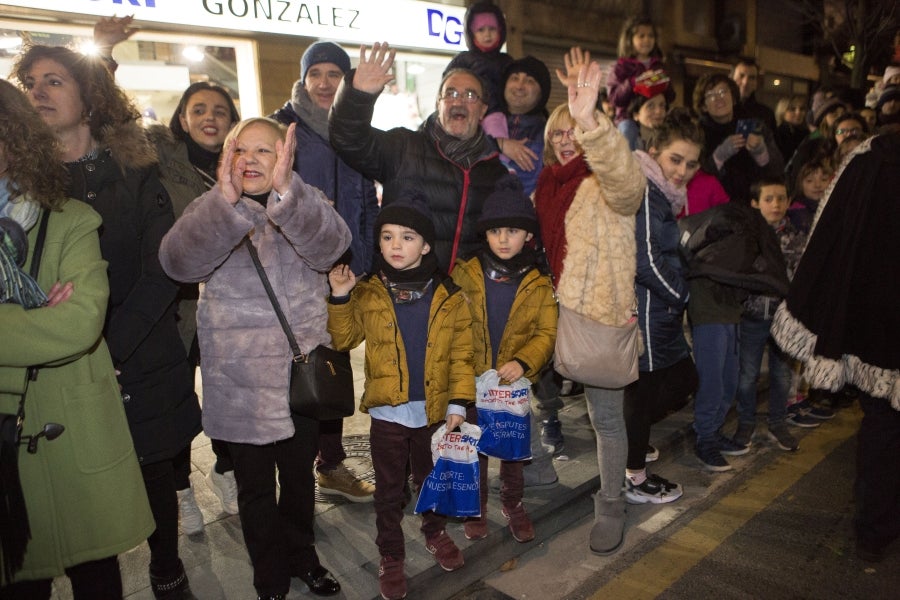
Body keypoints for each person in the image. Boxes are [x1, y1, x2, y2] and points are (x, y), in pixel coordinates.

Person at [15, 45, 202, 599]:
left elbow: (163, 269)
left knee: (153, 467)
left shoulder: (137, 172)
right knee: (65, 484)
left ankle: (166, 564)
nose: (38, 91)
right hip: (56, 357)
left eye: (53, 80)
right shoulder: (23, 184)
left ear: (88, 96)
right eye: (30, 82)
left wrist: (109, 349)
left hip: (137, 346)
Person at [159, 117, 349, 600]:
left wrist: (290, 197)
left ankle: (305, 558)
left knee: (299, 482)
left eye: (265, 151)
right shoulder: (214, 208)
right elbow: (177, 263)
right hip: (240, 380)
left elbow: (334, 247)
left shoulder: (307, 203)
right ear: (228, 156)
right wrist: (221, 205)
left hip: (298, 373)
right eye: (241, 149)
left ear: (284, 158)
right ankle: (269, 577)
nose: (251, 160)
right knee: (255, 489)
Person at [0, 77, 155, 600]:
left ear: (15, 140)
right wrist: (33, 322)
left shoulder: (70, 220)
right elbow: (54, 328)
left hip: (71, 429)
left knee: (97, 577)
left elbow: (79, 324)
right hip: (6, 450)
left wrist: (51, 325)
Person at [326, 193, 475, 600]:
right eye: (387, 237)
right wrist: (340, 296)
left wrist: (459, 401)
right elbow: (344, 338)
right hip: (389, 412)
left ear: (426, 245)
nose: (395, 245)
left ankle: (435, 531)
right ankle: (391, 553)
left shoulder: (449, 294)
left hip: (434, 412)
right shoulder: (370, 290)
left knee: (430, 479)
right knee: (389, 489)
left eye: (407, 237)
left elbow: (464, 354)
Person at [534, 50, 646, 555]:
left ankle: (612, 505)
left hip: (596, 317)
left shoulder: (606, 183)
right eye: (557, 132)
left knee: (606, 421)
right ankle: (534, 476)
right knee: (530, 399)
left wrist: (592, 123)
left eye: (571, 131)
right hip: (551, 314)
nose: (565, 140)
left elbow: (629, 185)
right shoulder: (545, 186)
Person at [770, 131, 900, 563]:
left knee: (881, 423)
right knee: (882, 424)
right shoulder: (869, 158)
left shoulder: (870, 158)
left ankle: (874, 531)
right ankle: (874, 528)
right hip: (880, 317)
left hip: (877, 318)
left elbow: (831, 235)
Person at [271, 40, 378, 503]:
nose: (324, 83)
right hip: (297, 265)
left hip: (345, 267)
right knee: (293, 365)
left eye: (334, 74)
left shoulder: (355, 131)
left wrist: (369, 257)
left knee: (332, 361)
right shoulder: (282, 127)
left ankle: (329, 464)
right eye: (316, 73)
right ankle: (285, 457)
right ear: (303, 78)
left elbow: (367, 201)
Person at [149, 81, 242, 530]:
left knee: (230, 396)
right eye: (198, 109)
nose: (210, 117)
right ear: (182, 119)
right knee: (178, 399)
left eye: (220, 111)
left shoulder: (243, 165)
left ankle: (225, 470)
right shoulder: (161, 159)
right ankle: (180, 489)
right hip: (177, 305)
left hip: (230, 307)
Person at [329, 42, 509, 272]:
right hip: (404, 296)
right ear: (438, 103)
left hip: (464, 301)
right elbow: (347, 139)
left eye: (470, 95)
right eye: (450, 93)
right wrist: (358, 96)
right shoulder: (403, 147)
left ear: (483, 110)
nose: (459, 101)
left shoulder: (495, 173)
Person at [451, 175, 557, 542]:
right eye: (496, 231)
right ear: (486, 234)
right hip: (472, 380)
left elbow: (547, 332)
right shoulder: (465, 273)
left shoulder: (537, 281)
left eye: (513, 231)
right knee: (474, 450)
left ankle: (512, 503)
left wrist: (525, 362)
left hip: (512, 385)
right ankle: (475, 507)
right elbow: (451, 324)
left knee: (513, 452)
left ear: (528, 236)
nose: (503, 239)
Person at [624, 108, 701, 505]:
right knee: (653, 390)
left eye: (691, 163)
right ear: (654, 152)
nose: (683, 170)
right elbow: (646, 260)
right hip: (650, 312)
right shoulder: (647, 190)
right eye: (675, 159)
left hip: (661, 310)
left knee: (676, 382)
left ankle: (629, 442)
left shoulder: (663, 192)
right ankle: (634, 474)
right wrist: (683, 295)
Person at [679, 199, 790, 473]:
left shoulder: (750, 233)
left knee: (729, 377)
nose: (774, 205)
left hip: (729, 308)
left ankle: (713, 431)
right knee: (713, 378)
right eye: (767, 199)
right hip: (708, 306)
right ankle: (704, 439)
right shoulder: (736, 228)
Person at [732, 177, 805, 452]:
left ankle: (778, 423)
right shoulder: (746, 238)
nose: (776, 204)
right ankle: (745, 424)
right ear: (754, 203)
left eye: (781, 198)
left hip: (784, 319)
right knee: (747, 375)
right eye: (768, 199)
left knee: (782, 375)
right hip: (752, 316)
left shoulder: (795, 238)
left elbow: (802, 277)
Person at [693, 73, 784, 205]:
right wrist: (718, 157)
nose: (719, 98)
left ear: (734, 98)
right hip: (715, 208)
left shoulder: (755, 126)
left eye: (723, 91)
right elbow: (694, 178)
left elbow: (777, 171)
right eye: (711, 95)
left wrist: (761, 153)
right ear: (703, 106)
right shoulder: (697, 134)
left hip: (753, 205)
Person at [444, 1, 514, 139]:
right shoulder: (462, 60)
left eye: (492, 29)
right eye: (481, 30)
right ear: (471, 33)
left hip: (502, 118)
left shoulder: (507, 61)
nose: (487, 35)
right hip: (467, 116)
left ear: (500, 30)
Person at [494, 56, 553, 196]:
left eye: (529, 81)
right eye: (514, 78)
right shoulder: (483, 123)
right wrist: (498, 144)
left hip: (528, 214)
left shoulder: (551, 133)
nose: (519, 86)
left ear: (542, 93)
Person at [606, 15, 665, 125]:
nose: (647, 40)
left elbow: (670, 96)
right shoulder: (620, 67)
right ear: (630, 40)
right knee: (627, 128)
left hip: (655, 120)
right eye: (641, 36)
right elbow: (614, 99)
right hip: (627, 119)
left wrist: (661, 80)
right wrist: (634, 82)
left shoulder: (659, 65)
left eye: (651, 36)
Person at [617, 68, 676, 151]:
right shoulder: (627, 140)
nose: (658, 111)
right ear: (636, 115)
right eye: (650, 106)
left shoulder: (671, 143)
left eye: (662, 106)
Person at [730, 58, 777, 133]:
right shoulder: (721, 110)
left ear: (756, 83)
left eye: (752, 78)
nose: (745, 82)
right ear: (731, 79)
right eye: (741, 76)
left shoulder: (766, 115)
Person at [774, 94, 809, 164]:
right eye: (792, 109)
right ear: (782, 112)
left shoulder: (806, 132)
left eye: (802, 109)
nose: (798, 112)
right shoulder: (778, 134)